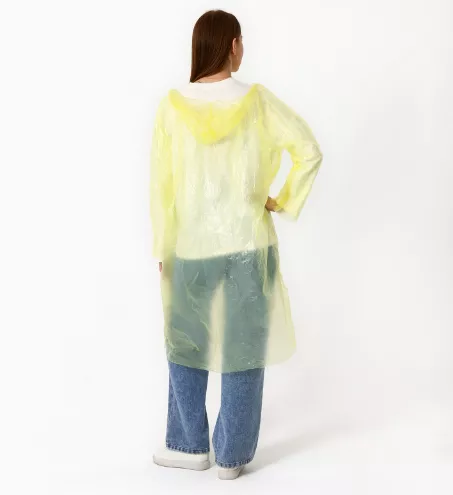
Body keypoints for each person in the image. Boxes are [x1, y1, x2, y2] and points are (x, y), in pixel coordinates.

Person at [150, 9, 323, 480]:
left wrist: (163, 247)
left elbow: (161, 187)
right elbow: (309, 150)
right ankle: (232, 457)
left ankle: (189, 446)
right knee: (243, 349)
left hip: (190, 249)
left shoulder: (171, 107)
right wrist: (282, 200)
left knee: (186, 346)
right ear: (232, 45)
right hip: (249, 247)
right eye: (241, 41)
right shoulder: (258, 102)